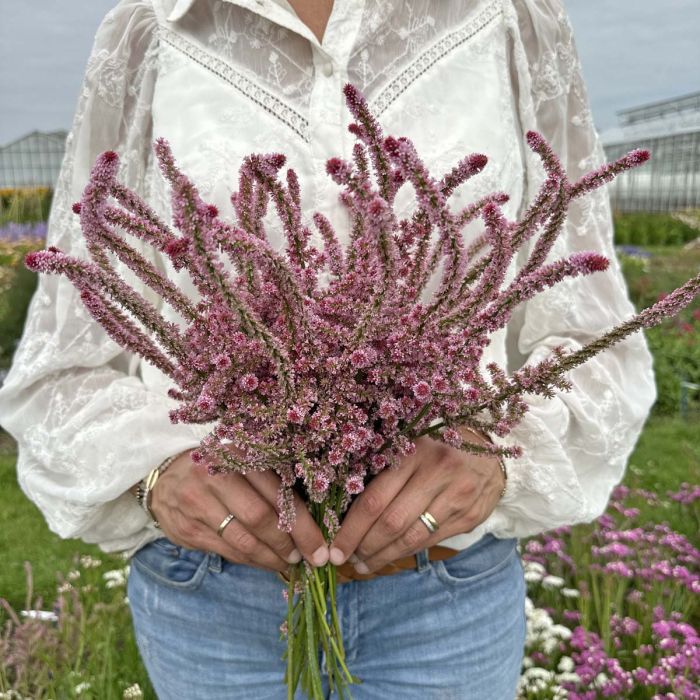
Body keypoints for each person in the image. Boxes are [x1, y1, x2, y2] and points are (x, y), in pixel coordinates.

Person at [0, 0, 656, 698]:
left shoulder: (511, 19)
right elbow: (62, 358)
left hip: (443, 595)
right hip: (211, 596)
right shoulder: (153, 26)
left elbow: (592, 334)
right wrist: (151, 474)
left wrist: (498, 456)